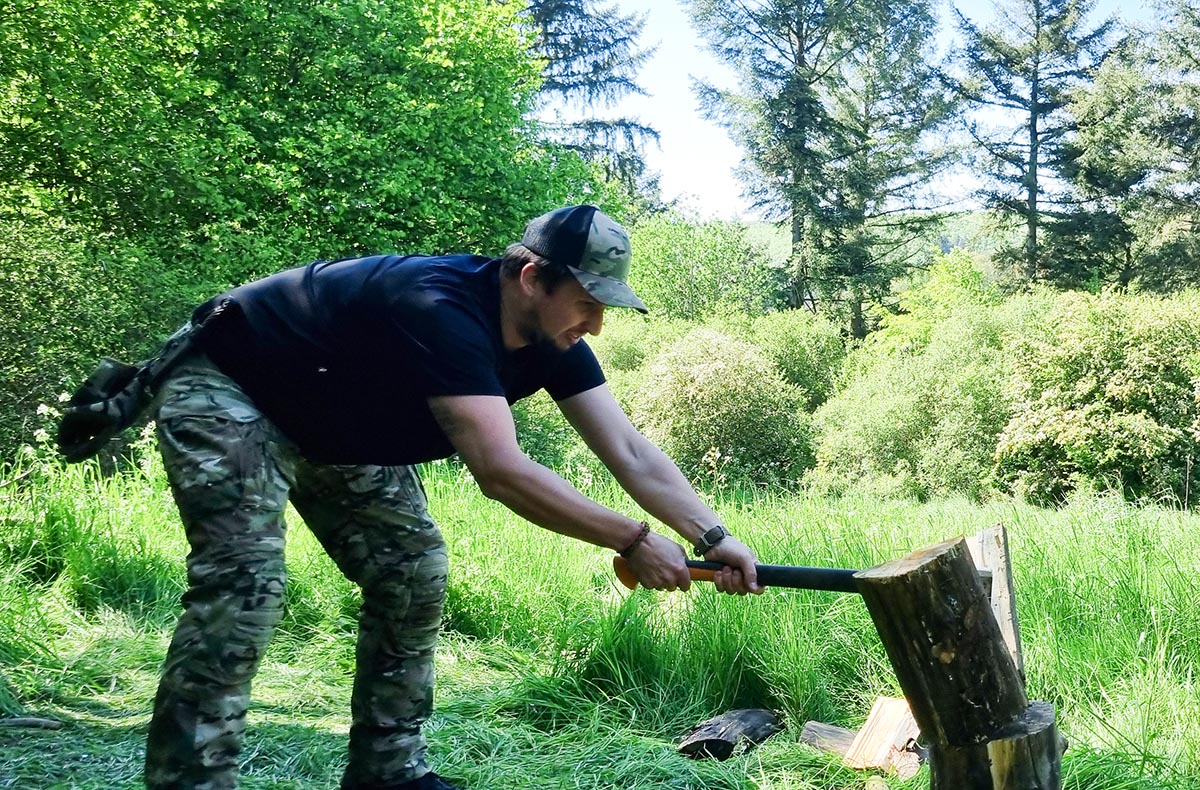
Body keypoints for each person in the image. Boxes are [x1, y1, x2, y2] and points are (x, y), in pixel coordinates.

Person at [116, 205, 763, 789]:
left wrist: (713, 536)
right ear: (534, 278)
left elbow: (629, 451)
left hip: (331, 422)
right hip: (231, 383)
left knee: (411, 567)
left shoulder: (552, 341)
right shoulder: (441, 308)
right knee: (244, 582)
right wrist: (633, 539)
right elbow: (501, 471)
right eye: (588, 300)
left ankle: (388, 774)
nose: (596, 323)